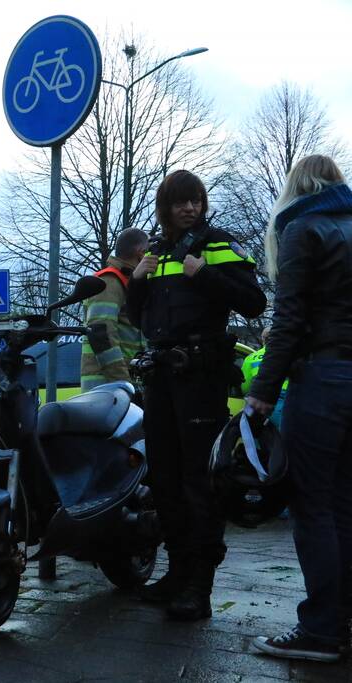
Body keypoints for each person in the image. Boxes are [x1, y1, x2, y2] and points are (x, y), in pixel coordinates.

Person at [126, 170, 266, 620]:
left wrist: (205, 275)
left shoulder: (219, 243)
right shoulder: (157, 252)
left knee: (198, 481)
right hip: (163, 376)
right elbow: (138, 320)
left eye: (196, 201)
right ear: (165, 207)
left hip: (201, 375)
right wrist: (138, 283)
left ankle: (199, 586)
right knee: (163, 479)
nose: (190, 208)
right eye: (181, 202)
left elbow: (254, 302)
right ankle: (176, 572)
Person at [246, 154, 352, 663]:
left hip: (323, 380)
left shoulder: (302, 229)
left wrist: (263, 390)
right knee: (346, 506)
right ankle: (342, 619)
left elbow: (289, 320)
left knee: (313, 506)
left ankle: (321, 630)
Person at [80, 228, 148, 392]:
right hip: (107, 388)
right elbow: (100, 332)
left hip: (118, 386)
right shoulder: (109, 282)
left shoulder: (126, 282)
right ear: (141, 253)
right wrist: (124, 383)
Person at [240, 327, 286, 429]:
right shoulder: (287, 355)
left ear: (263, 339)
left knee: (257, 439)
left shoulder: (251, 358)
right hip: (285, 401)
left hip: (258, 402)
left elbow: (244, 387)